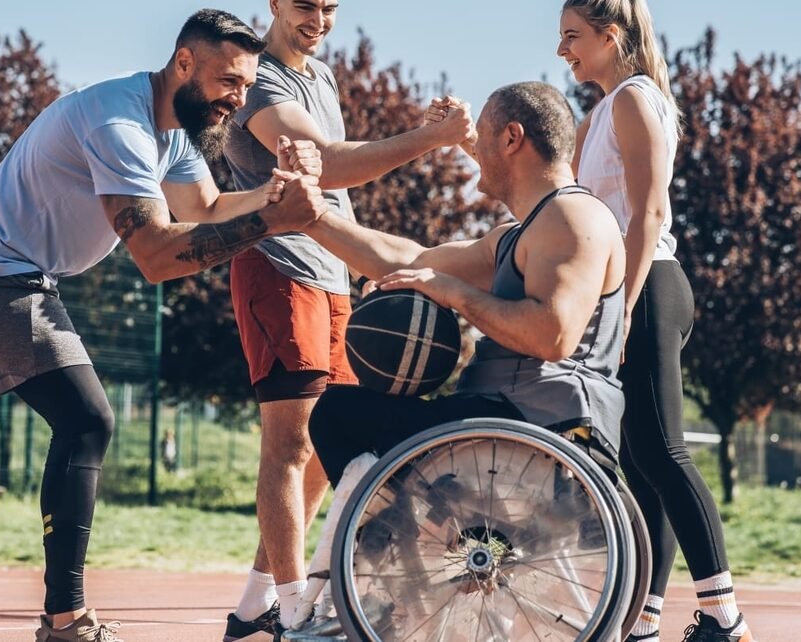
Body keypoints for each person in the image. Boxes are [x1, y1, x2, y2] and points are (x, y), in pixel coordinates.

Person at [0, 10, 327, 642]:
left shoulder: (174, 125)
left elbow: (207, 207)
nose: (239, 100)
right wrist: (276, 221)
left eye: (248, 86)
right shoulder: (119, 123)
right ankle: (67, 622)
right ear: (184, 64)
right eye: (229, 82)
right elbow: (159, 255)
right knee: (87, 422)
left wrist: (284, 191)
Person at [282, 80, 627, 634]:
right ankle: (390, 578)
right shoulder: (524, 232)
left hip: (535, 426)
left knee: (339, 415)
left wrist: (455, 293)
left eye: (483, 137)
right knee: (356, 414)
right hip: (504, 420)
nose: (475, 156)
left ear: (512, 138)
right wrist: (312, 217)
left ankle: (362, 589)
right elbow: (409, 257)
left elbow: (553, 337)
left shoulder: (573, 219)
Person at [218, 0, 476, 637]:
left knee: (330, 442)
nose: (320, 19)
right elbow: (321, 163)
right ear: (276, 3)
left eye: (331, 7)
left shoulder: (322, 77)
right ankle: (291, 606)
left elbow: (333, 189)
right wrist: (427, 140)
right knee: (291, 442)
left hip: (330, 271)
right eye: (307, 5)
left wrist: (358, 252)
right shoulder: (259, 79)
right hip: (276, 264)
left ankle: (256, 607)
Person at [558, 1, 755, 641]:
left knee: (666, 450)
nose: (563, 50)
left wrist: (620, 304)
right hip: (630, 290)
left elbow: (647, 216)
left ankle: (725, 618)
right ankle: (644, 618)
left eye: (572, 37)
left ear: (609, 36)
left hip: (648, 287)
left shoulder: (633, 101)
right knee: (642, 458)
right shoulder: (601, 111)